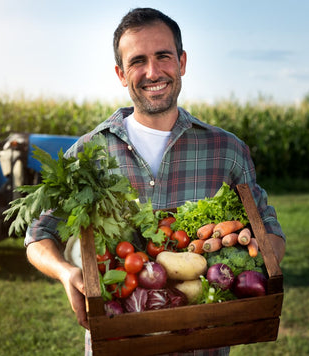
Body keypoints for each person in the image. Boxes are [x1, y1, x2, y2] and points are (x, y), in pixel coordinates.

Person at [24, 7, 285, 356]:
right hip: (119, 343)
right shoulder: (87, 153)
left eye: (163, 56)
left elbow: (269, 230)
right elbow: (38, 235)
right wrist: (66, 272)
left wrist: (252, 267)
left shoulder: (226, 151)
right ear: (120, 73)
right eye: (137, 61)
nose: (152, 72)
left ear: (182, 62)